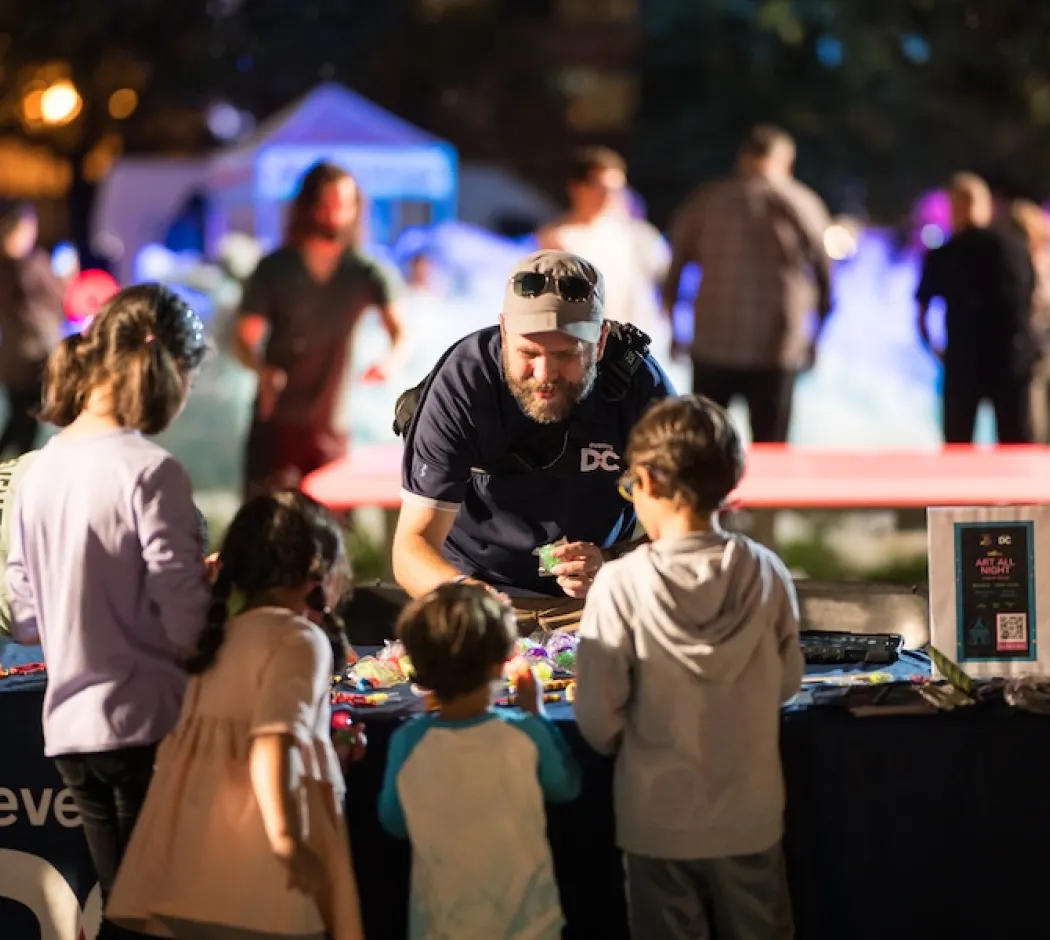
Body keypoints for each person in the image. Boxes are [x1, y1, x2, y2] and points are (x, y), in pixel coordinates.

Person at [5, 283, 210, 939]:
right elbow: (187, 628)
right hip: (146, 724)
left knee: (122, 907)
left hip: (69, 731)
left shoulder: (39, 469)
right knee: (161, 911)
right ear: (166, 367)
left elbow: (25, 617)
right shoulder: (150, 471)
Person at [574, 394, 803, 940]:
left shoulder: (620, 583)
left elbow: (596, 718)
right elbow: (788, 683)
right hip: (750, 818)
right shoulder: (766, 571)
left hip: (657, 824)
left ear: (647, 482)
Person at [107, 490, 365, 940]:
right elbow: (271, 742)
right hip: (260, 880)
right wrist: (287, 840)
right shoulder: (300, 641)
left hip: (186, 875)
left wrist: (330, 754)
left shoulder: (218, 639)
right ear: (316, 571)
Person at [392, 249, 674, 629]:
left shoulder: (640, 387)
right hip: (472, 590)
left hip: (601, 597)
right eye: (528, 352)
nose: (545, 374)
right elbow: (412, 547)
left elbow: (686, 532)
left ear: (601, 341)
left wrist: (613, 564)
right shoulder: (464, 381)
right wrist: (466, 594)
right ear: (503, 332)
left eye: (565, 355)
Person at [379, 581, 581, 939]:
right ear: (501, 661)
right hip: (528, 925)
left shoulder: (407, 742)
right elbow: (565, 787)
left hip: (441, 925)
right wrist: (536, 714)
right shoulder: (526, 733)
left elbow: (394, 821)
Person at [232, 161, 408, 496]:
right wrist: (261, 369)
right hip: (276, 424)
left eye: (343, 205)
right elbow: (243, 339)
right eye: (326, 204)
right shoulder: (275, 269)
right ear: (308, 207)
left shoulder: (365, 272)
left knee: (330, 536)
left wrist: (391, 362)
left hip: (330, 427)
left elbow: (400, 330)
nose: (334, 214)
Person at [662, 124, 832, 444]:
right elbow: (825, 274)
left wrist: (674, 328)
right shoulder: (801, 202)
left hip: (713, 342)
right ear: (785, 160)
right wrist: (817, 334)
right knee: (771, 448)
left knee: (705, 446)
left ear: (742, 158)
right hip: (776, 347)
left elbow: (675, 267)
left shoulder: (708, 200)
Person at [916, 173, 1038, 443]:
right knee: (1014, 442)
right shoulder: (1013, 247)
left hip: (965, 359)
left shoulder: (946, 253)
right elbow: (1030, 297)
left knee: (959, 444)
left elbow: (922, 310)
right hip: (1009, 358)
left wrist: (935, 347)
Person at [537, 147, 670, 339]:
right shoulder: (556, 239)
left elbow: (663, 276)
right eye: (601, 188)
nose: (609, 197)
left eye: (616, 190)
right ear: (576, 188)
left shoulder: (634, 234)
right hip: (588, 342)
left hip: (635, 342)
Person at [0, 200, 70, 457]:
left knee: (25, 420)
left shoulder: (33, 261)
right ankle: (13, 476)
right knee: (23, 420)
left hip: (31, 354)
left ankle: (13, 475)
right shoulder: (17, 268)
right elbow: (39, 309)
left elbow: (58, 299)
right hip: (25, 357)